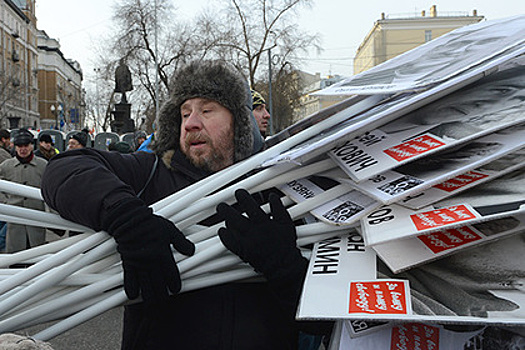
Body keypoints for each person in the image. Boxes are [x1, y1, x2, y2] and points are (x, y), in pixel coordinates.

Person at [41, 60, 324, 349]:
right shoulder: (150, 174)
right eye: (184, 112)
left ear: (238, 122)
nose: (190, 122)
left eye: (206, 110)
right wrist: (125, 216)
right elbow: (63, 170)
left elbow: (327, 322)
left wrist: (287, 271)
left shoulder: (281, 189)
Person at [0, 128, 47, 253]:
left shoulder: (43, 166)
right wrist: (5, 202)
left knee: (37, 259)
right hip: (14, 223)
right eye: (19, 146)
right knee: (16, 260)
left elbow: (49, 189)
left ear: (32, 146)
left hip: (36, 219)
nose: (23, 149)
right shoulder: (6, 166)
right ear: (15, 147)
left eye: (26, 145)